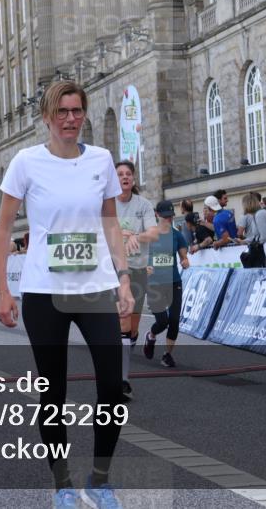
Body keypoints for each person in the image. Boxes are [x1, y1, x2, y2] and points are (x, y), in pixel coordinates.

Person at [0, 80, 134, 509]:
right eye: (62, 112)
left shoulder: (102, 160)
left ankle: (100, 479)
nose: (70, 119)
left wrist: (123, 279)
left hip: (93, 290)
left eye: (77, 111)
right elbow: (3, 229)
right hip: (44, 291)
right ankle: (62, 484)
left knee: (112, 386)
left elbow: (110, 223)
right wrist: (3, 291)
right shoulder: (26, 162)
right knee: (52, 390)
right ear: (47, 117)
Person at [114, 159, 155, 401]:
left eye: (128, 174)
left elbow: (152, 232)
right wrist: (121, 234)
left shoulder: (144, 205)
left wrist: (135, 236)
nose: (124, 177)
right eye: (119, 174)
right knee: (121, 323)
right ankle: (122, 380)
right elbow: (102, 231)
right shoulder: (107, 204)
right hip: (114, 269)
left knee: (132, 328)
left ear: (134, 179)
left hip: (138, 269)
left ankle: (125, 355)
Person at [145, 200, 189, 368]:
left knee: (174, 320)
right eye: (165, 217)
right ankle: (151, 335)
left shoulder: (177, 235)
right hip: (154, 284)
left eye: (170, 217)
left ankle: (167, 355)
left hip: (173, 282)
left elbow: (184, 256)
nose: (168, 220)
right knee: (162, 321)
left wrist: (185, 260)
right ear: (157, 215)